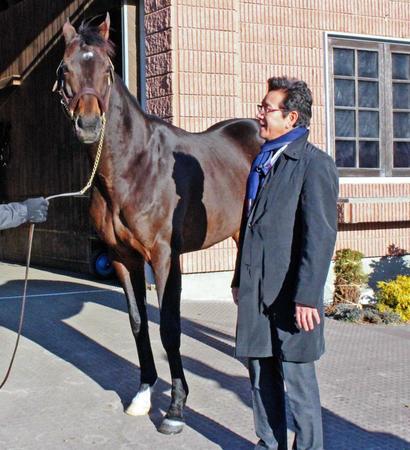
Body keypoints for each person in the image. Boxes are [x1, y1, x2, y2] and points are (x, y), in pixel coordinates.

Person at [231, 76, 338, 450]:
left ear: (291, 117)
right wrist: (237, 280)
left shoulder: (313, 165)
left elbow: (319, 236)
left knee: (298, 382)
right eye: (261, 107)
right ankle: (269, 442)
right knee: (260, 375)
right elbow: (249, 226)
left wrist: (308, 296)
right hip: (257, 291)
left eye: (266, 108)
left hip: (292, 296)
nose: (259, 114)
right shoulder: (262, 162)